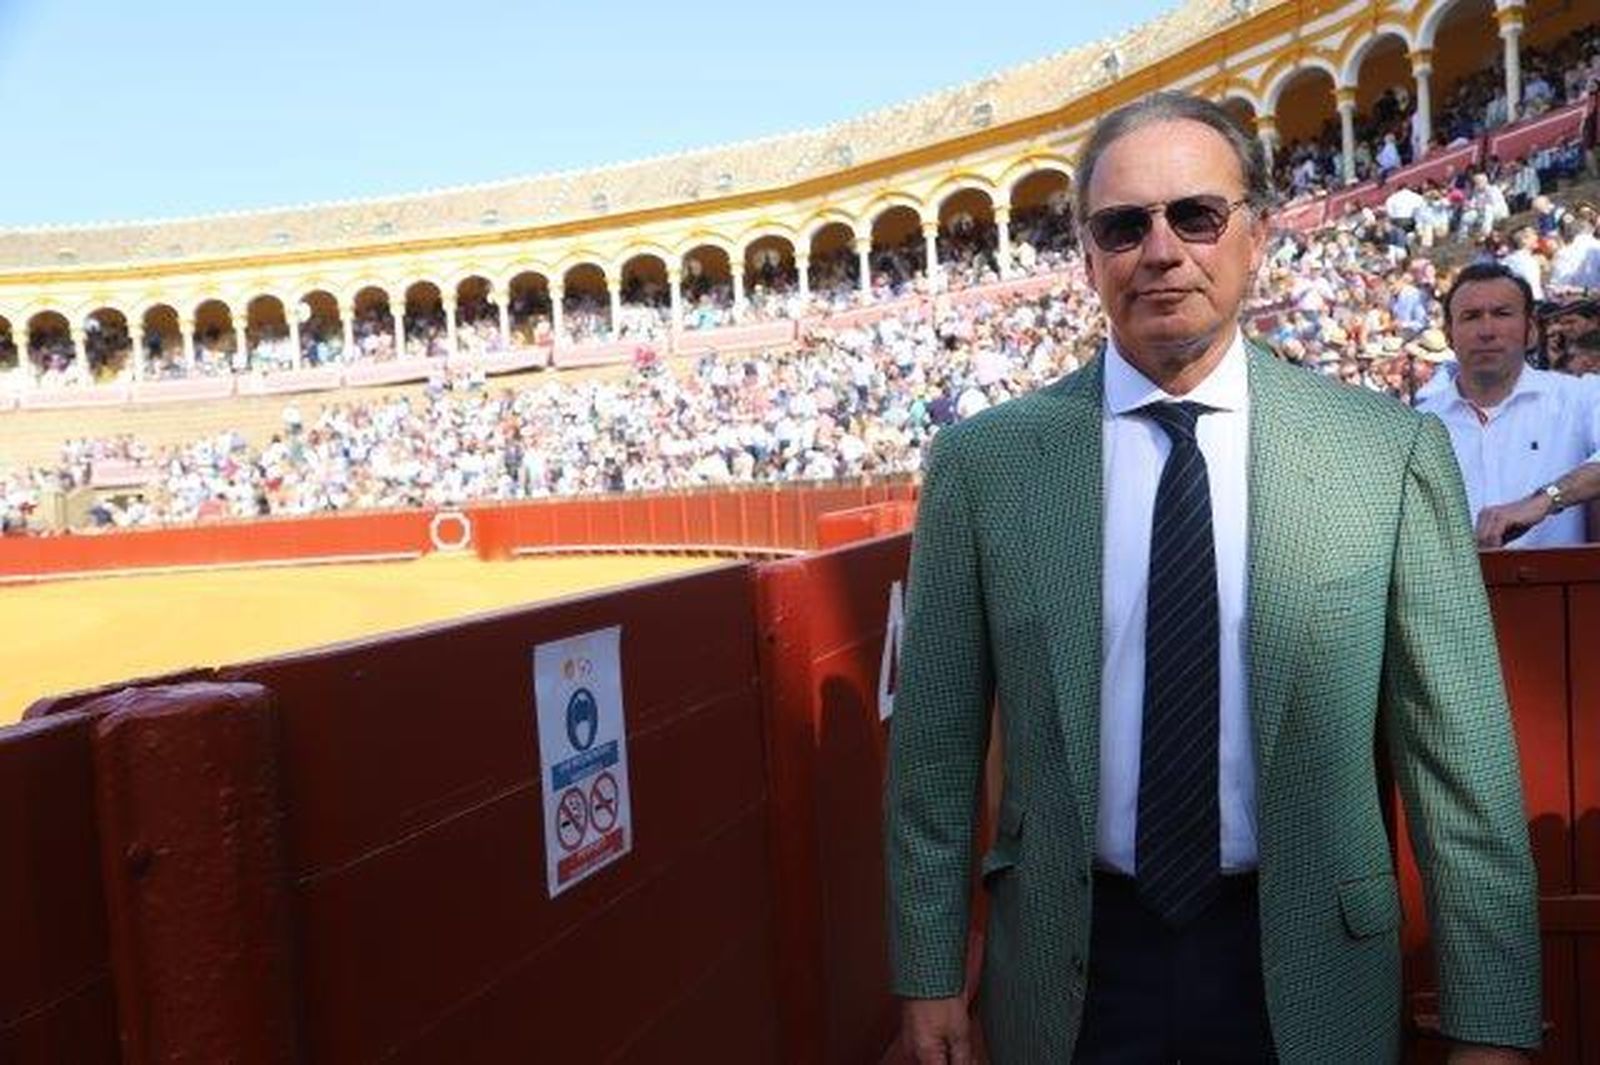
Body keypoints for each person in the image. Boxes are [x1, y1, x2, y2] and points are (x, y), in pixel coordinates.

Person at [884, 92, 1540, 1064]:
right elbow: (935, 751)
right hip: (1071, 962)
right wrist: (929, 973)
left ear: (1256, 235)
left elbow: (1459, 766)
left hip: (1310, 956)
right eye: (1122, 225)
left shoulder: (1384, 452)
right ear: (1085, 254)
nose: (1160, 251)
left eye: (1195, 215)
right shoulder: (984, 464)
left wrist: (1490, 1023)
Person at [1417, 262, 1600, 548]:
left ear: (1530, 331)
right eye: (1471, 316)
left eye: (1502, 314)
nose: (1487, 330)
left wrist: (1545, 500)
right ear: (1450, 334)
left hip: (1556, 589)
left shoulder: (1580, 398)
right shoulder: (1418, 425)